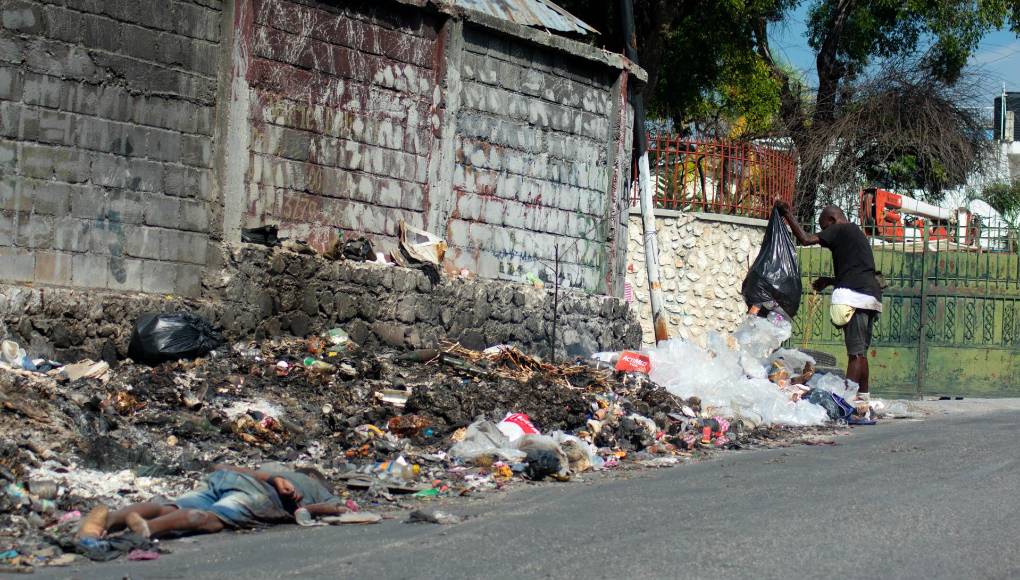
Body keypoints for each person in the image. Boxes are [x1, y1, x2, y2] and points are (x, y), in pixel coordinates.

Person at [775, 200, 882, 400]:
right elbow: (856, 271)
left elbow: (805, 239)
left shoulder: (840, 228)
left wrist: (787, 213)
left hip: (856, 297)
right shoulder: (856, 233)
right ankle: (863, 397)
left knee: (854, 354)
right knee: (861, 352)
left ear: (832, 219)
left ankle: (845, 400)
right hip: (871, 296)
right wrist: (829, 281)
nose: (825, 233)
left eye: (824, 227)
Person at [79, 463, 347, 540]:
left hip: (226, 478)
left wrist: (276, 478)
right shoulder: (316, 486)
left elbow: (230, 468)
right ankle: (148, 529)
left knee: (169, 505)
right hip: (257, 496)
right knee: (213, 519)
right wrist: (314, 506)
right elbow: (335, 508)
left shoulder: (277, 472)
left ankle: (110, 519)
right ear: (315, 477)